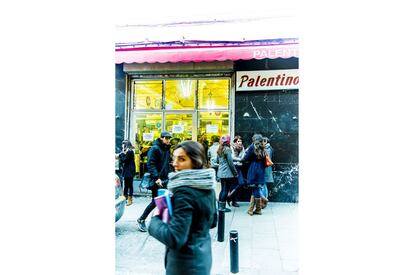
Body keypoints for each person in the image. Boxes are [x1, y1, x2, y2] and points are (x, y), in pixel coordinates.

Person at [148, 141, 217, 275]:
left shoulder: (184, 192)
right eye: (174, 158)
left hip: (185, 265)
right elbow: (213, 221)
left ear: (196, 161)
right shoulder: (207, 185)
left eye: (182, 159)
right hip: (203, 258)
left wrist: (155, 219)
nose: (175, 163)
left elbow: (175, 238)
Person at [137, 131, 172, 232]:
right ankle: (141, 219)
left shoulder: (166, 149)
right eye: (166, 138)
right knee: (156, 201)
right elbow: (150, 164)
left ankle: (161, 221)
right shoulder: (155, 148)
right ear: (161, 138)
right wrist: (157, 178)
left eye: (169, 138)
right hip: (157, 180)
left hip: (164, 179)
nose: (168, 139)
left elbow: (166, 164)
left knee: (162, 200)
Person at [241, 134, 266, 215]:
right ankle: (255, 209)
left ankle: (253, 210)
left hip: (254, 169)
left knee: (255, 189)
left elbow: (245, 158)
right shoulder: (263, 148)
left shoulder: (252, 147)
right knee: (256, 189)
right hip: (261, 170)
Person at [216, 135, 238, 212]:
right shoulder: (227, 149)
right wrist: (235, 173)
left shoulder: (219, 149)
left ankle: (220, 206)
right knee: (225, 190)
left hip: (221, 172)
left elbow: (217, 161)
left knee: (222, 190)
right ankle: (222, 207)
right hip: (227, 173)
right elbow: (230, 163)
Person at [227, 135, 246, 207]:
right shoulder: (231, 147)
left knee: (241, 183)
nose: (240, 143)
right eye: (238, 141)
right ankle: (234, 201)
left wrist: (238, 159)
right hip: (233, 167)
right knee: (234, 184)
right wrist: (239, 159)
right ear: (235, 142)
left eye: (241, 141)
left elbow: (243, 157)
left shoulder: (242, 148)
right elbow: (232, 158)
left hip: (239, 167)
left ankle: (229, 196)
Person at [116, 140, 136, 206]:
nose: (122, 146)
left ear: (126, 145)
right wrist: (122, 154)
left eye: (123, 144)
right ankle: (125, 198)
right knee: (126, 185)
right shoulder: (126, 151)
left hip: (129, 171)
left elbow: (125, 160)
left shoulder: (130, 151)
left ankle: (130, 199)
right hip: (127, 171)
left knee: (129, 185)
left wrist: (121, 155)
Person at [261, 137, 274, 209]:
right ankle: (263, 201)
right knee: (263, 185)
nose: (261, 143)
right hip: (266, 169)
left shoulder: (267, 149)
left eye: (263, 141)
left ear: (266, 141)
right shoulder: (269, 148)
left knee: (263, 185)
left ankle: (264, 201)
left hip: (265, 170)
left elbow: (266, 160)